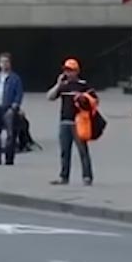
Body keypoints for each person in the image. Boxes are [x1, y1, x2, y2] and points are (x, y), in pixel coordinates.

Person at [46, 58, 94, 186]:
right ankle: (64, 176)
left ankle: (87, 176)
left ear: (77, 71)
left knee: (83, 150)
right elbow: (49, 97)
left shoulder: (83, 85)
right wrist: (58, 84)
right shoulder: (63, 85)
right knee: (64, 151)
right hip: (65, 121)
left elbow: (94, 101)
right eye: (66, 70)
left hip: (79, 122)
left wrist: (83, 98)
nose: (68, 73)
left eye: (71, 70)